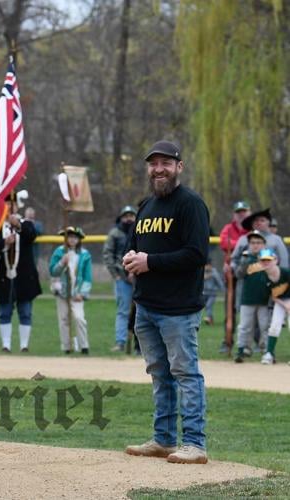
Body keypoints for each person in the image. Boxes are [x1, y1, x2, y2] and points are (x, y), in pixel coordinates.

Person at [123, 140, 210, 464]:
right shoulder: (146, 205)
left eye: (166, 163)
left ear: (179, 167)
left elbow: (197, 253)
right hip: (146, 306)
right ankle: (162, 439)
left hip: (178, 309)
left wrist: (150, 262)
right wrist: (130, 258)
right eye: (153, 164)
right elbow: (136, 246)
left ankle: (195, 444)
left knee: (186, 373)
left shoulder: (190, 204)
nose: (159, 169)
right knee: (160, 374)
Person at [0, 196, 42, 353]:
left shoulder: (26, 224)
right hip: (5, 275)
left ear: (18, 206)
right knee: (5, 311)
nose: (10, 206)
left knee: (25, 311)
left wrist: (17, 224)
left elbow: (31, 236)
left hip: (24, 276)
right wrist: (5, 243)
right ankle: (6, 345)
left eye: (13, 204)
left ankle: (24, 345)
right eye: (7, 204)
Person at [50, 226, 92, 354]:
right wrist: (62, 262)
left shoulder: (85, 255)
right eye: (70, 237)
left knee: (79, 318)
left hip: (76, 292)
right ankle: (66, 346)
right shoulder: (59, 252)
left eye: (75, 237)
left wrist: (82, 293)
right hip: (62, 291)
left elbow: (87, 276)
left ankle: (84, 345)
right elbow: (53, 271)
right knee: (63, 319)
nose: (72, 240)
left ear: (79, 239)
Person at [218, 200, 251, 353]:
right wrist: (243, 244)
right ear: (234, 214)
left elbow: (254, 244)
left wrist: (237, 244)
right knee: (229, 309)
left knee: (250, 309)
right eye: (239, 212)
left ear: (249, 212)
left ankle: (249, 343)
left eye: (244, 211)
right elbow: (224, 243)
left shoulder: (252, 229)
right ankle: (228, 340)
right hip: (231, 274)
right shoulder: (228, 228)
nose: (241, 214)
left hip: (249, 274)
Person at [233, 231, 271, 363]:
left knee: (265, 326)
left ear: (264, 244)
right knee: (244, 326)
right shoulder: (246, 257)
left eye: (258, 242)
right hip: (247, 298)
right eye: (252, 243)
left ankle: (266, 350)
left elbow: (273, 276)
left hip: (265, 299)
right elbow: (239, 275)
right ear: (249, 244)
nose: (255, 245)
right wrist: (244, 262)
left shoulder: (269, 258)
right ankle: (242, 349)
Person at [103, 205, 137, 352]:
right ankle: (120, 342)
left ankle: (139, 346)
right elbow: (108, 254)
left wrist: (135, 272)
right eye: (126, 216)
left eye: (131, 215)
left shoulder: (139, 232)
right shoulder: (115, 233)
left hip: (139, 278)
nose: (129, 218)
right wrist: (116, 275)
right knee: (123, 311)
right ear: (121, 218)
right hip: (121, 278)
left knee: (141, 312)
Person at [260, 248, 287, 365]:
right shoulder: (264, 277)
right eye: (264, 260)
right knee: (275, 326)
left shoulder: (286, 272)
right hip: (281, 302)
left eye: (269, 260)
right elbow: (273, 296)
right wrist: (285, 305)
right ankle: (269, 354)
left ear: (275, 260)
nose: (266, 263)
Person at [202, 260, 224, 325]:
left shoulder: (214, 272)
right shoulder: (202, 271)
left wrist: (223, 290)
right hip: (204, 293)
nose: (206, 267)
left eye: (207, 266)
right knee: (206, 306)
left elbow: (219, 282)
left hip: (212, 293)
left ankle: (208, 318)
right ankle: (210, 319)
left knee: (209, 305)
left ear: (210, 266)